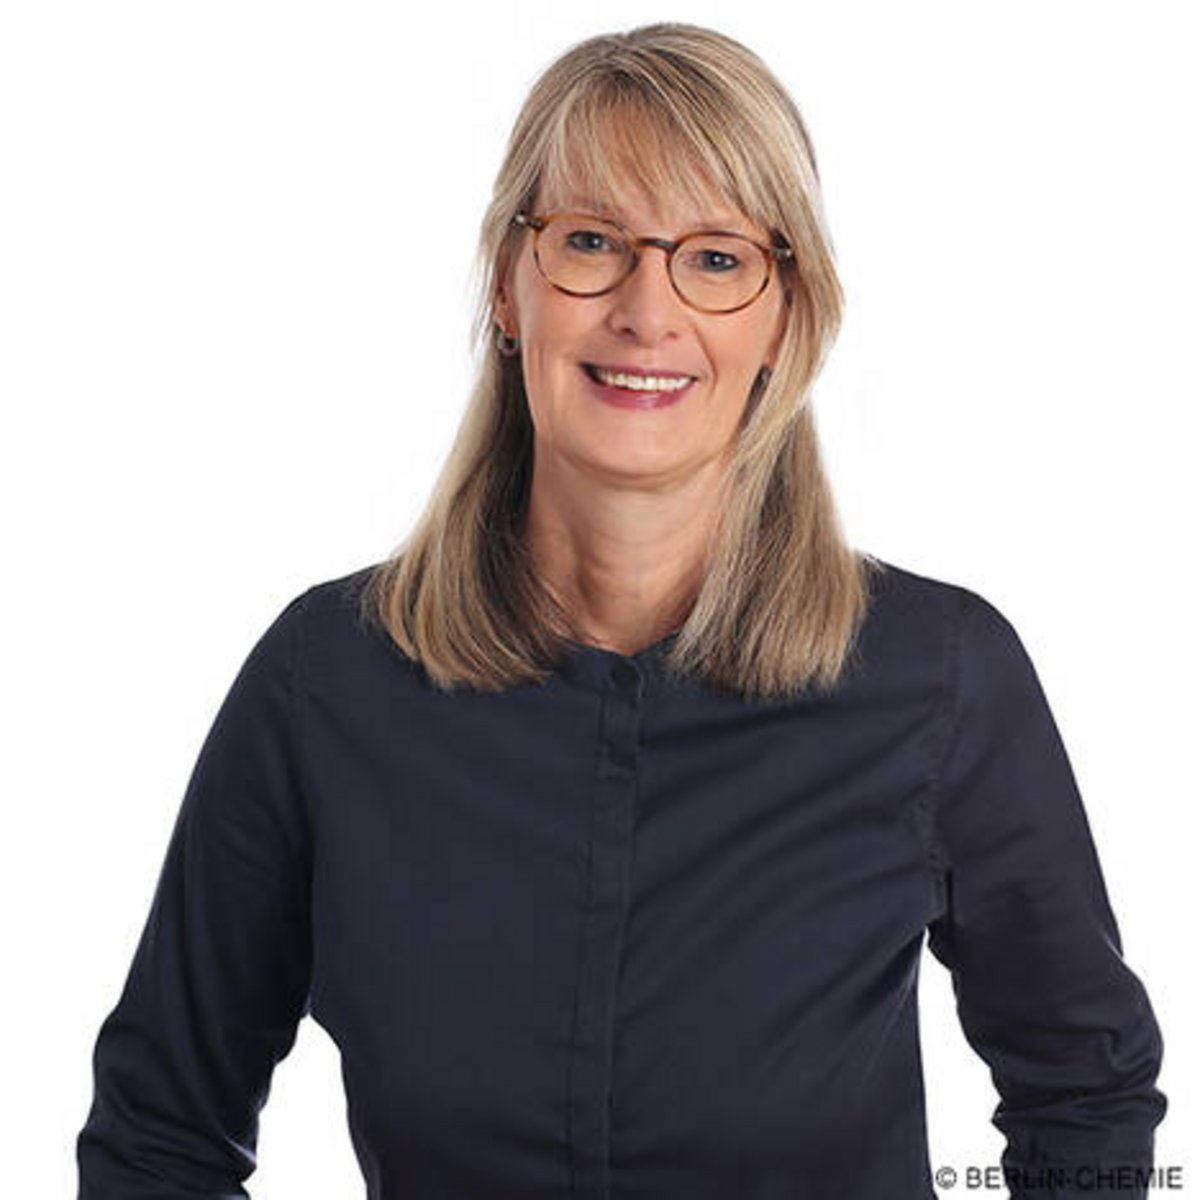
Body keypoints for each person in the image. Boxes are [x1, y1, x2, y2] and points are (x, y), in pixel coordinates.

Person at [76, 21, 1167, 1200]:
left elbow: (1085, 1094)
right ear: (509, 285)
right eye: (592, 242)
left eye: (716, 258)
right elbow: (160, 1136)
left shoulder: (941, 678)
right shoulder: (325, 683)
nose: (648, 312)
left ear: (786, 316)